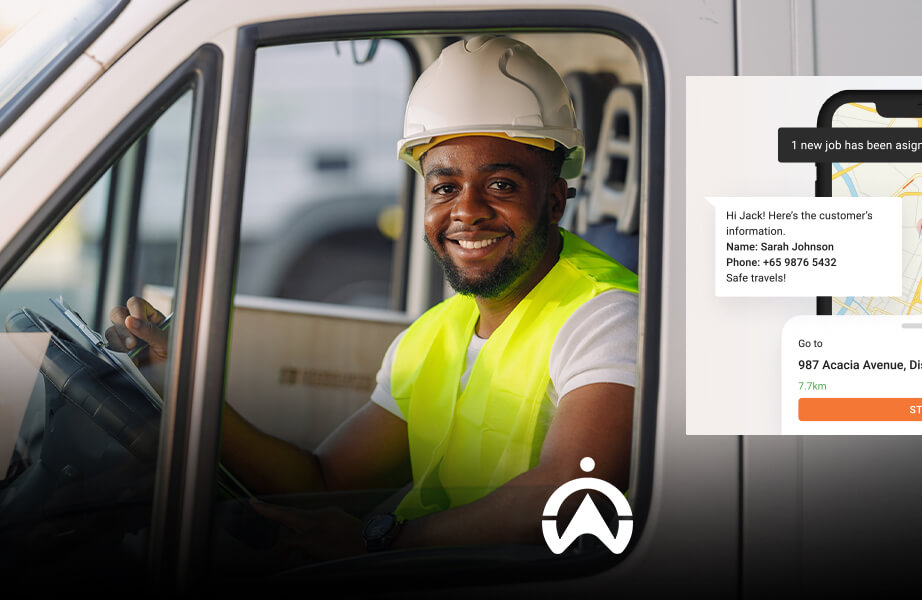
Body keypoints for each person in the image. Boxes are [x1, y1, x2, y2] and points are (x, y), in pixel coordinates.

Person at [106, 36, 638, 558]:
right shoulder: (432, 336)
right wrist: (185, 383)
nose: (467, 211)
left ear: (554, 201)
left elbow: (574, 498)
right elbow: (323, 480)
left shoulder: (607, 316)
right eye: (444, 187)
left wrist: (382, 541)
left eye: (501, 185)